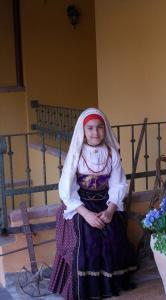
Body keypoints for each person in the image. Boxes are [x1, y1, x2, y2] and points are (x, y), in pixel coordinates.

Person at [49, 108, 137, 300]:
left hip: (105, 204)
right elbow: (67, 189)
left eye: (99, 128)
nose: (95, 132)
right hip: (80, 205)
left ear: (105, 130)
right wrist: (86, 214)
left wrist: (111, 209)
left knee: (113, 237)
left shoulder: (112, 154)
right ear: (83, 130)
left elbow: (118, 183)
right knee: (87, 241)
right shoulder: (76, 155)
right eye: (90, 128)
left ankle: (108, 286)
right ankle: (88, 288)